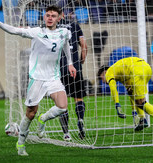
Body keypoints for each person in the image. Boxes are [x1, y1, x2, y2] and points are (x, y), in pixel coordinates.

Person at [0, 5, 76, 156]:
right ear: (44, 16)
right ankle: (21, 143)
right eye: (47, 15)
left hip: (53, 77)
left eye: (53, 16)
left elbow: (66, 45)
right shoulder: (37, 32)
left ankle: (43, 119)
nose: (49, 18)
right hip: (37, 78)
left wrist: (70, 63)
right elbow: (15, 30)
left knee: (62, 107)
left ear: (59, 18)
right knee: (30, 113)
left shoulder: (64, 32)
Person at [98, 57, 153, 132]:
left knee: (141, 103)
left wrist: (117, 104)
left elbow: (113, 89)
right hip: (146, 68)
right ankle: (142, 120)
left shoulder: (109, 72)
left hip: (137, 71)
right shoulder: (121, 72)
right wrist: (134, 111)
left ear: (104, 73)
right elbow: (131, 94)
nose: (103, 81)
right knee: (137, 98)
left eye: (101, 78)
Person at [58, 11, 87, 140]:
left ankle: (66, 133)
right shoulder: (75, 25)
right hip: (75, 68)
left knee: (62, 103)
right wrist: (81, 60)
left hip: (59, 68)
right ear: (64, 14)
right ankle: (80, 120)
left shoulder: (52, 26)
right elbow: (84, 45)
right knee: (78, 98)